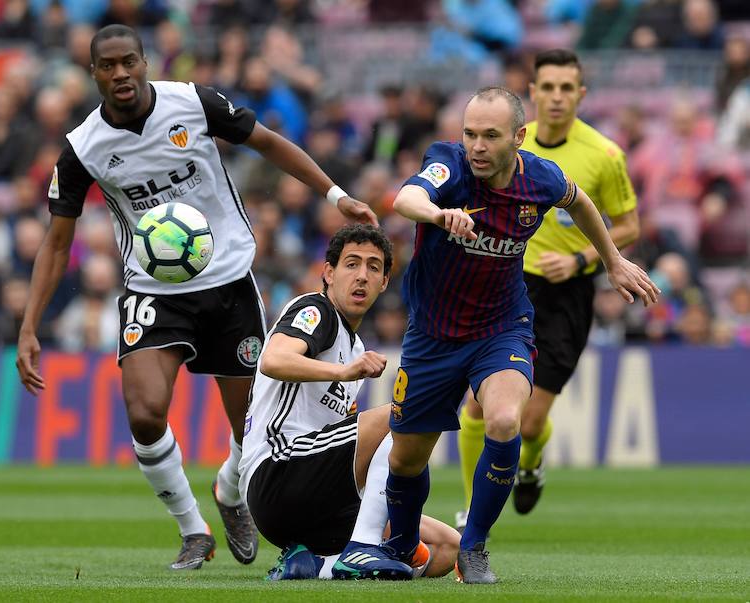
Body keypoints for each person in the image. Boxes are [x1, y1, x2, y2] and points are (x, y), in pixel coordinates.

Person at [14, 24, 377, 572]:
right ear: (94, 73)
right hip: (153, 290)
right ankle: (192, 530)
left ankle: (230, 492)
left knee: (249, 430)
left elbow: (269, 143)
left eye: (128, 62)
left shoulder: (194, 103)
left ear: (144, 62)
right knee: (143, 412)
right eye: (108, 66)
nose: (121, 75)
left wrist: (335, 194)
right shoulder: (83, 149)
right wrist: (28, 325)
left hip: (229, 280)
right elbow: (57, 240)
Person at [380, 87, 659, 584]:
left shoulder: (541, 179)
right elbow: (407, 197)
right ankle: (400, 546)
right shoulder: (449, 165)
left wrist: (612, 261)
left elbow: (583, 202)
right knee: (406, 457)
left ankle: (474, 546)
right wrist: (437, 214)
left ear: (519, 137)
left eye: (490, 136)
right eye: (470, 134)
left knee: (506, 419)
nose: (477, 146)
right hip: (434, 334)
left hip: (502, 326)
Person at [456, 49, 641, 529]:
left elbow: (629, 226)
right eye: (548, 87)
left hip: (567, 298)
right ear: (533, 93)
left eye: (567, 88)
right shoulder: (504, 144)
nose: (557, 97)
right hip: (509, 285)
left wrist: (582, 259)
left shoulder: (604, 155)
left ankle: (532, 462)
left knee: (530, 421)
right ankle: (468, 508)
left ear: (580, 94)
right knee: (476, 406)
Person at [239, 224, 458, 581]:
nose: (362, 276)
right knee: (406, 411)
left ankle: (315, 565)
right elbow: (273, 359)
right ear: (327, 273)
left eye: (374, 268)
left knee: (447, 549)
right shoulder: (316, 309)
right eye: (351, 264)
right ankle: (363, 547)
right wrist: (342, 372)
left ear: (385, 282)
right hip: (279, 471)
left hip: (314, 499)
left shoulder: (353, 345)